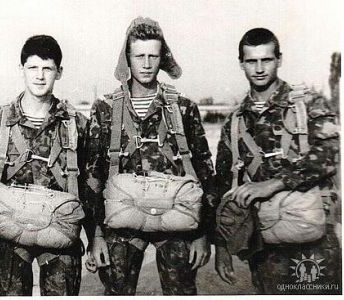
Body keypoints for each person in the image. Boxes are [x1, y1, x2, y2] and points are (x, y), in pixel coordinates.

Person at [85, 17, 218, 295]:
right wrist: (95, 236)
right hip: (122, 221)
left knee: (181, 289)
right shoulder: (105, 109)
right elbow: (94, 177)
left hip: (175, 219)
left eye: (153, 56)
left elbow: (204, 172)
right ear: (127, 58)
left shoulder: (183, 107)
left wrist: (203, 234)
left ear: (162, 58)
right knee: (117, 289)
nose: (146, 64)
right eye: (139, 56)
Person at [214, 28, 341, 294]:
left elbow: (329, 155)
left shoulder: (307, 104)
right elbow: (223, 185)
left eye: (266, 60)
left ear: (279, 60)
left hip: (315, 240)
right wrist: (222, 247)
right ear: (241, 64)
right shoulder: (235, 122)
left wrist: (274, 184)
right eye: (251, 61)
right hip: (264, 245)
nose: (259, 68)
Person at [0, 35, 91, 296]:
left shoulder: (76, 125)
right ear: (21, 69)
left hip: (60, 236)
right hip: (7, 237)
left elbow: (91, 186)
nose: (39, 76)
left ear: (59, 72)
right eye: (33, 67)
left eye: (47, 68)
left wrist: (96, 238)